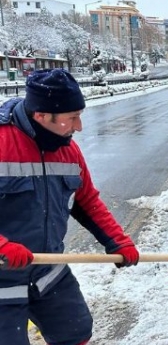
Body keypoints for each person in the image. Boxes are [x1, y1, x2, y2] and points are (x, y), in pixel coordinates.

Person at [0, 69, 139, 345]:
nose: (79, 127)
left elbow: (87, 201)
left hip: (47, 269)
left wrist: (118, 242)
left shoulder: (68, 150)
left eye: (80, 115)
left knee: (75, 332)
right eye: (71, 118)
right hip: (2, 277)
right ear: (41, 115)